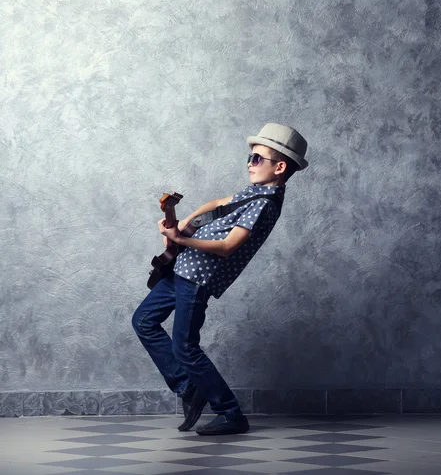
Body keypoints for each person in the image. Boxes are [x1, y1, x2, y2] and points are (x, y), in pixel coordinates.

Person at [132, 123, 309, 435]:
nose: (249, 164)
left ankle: (231, 414)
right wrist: (185, 222)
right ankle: (189, 389)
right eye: (249, 158)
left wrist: (183, 240)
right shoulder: (253, 192)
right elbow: (217, 204)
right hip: (182, 267)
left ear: (279, 167)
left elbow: (228, 247)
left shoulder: (264, 204)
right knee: (144, 321)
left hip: (198, 277)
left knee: (185, 347)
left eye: (257, 159)